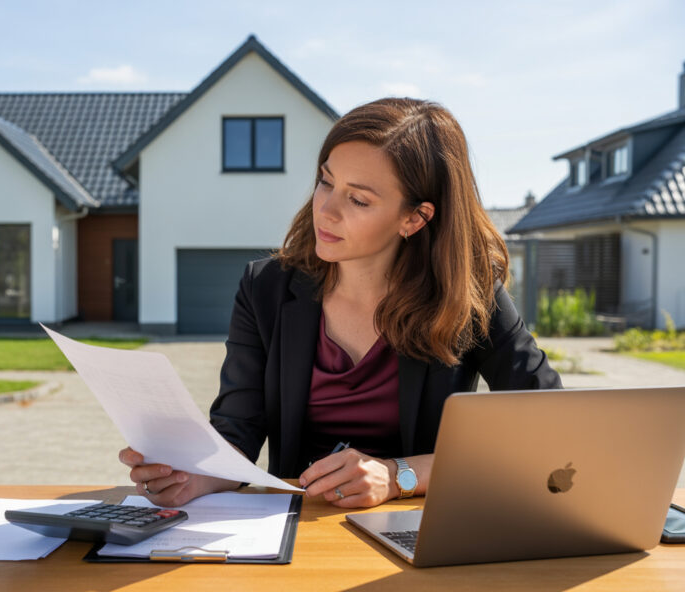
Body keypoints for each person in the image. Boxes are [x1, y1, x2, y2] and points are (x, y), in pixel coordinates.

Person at [119, 97, 562, 508]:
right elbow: (239, 428)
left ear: (414, 218)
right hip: (297, 528)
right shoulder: (266, 288)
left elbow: (551, 424)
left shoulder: (468, 293)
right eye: (325, 181)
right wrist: (193, 476)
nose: (326, 210)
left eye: (358, 199)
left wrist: (399, 475)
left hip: (420, 529)